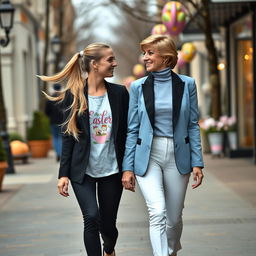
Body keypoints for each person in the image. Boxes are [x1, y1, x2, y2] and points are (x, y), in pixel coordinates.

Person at [38, 43, 129, 256]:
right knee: (91, 217)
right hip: (82, 171)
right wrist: (63, 175)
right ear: (95, 64)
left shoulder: (119, 93)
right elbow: (68, 137)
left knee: (108, 225)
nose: (114, 63)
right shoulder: (73, 95)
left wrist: (128, 168)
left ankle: (109, 248)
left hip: (112, 171)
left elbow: (127, 134)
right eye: (110, 60)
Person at [122, 34, 204, 256]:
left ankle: (171, 250)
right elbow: (132, 128)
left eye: (150, 53)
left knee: (174, 218)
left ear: (166, 58)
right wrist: (127, 168)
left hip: (179, 155)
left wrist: (197, 161)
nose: (144, 58)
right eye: (144, 53)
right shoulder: (138, 87)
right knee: (157, 212)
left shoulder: (187, 84)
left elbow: (192, 125)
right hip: (148, 156)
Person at [45, 83, 63, 162]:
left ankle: (58, 153)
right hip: (62, 121)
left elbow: (46, 112)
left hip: (53, 122)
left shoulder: (49, 99)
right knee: (61, 138)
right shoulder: (63, 98)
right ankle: (60, 153)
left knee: (55, 138)